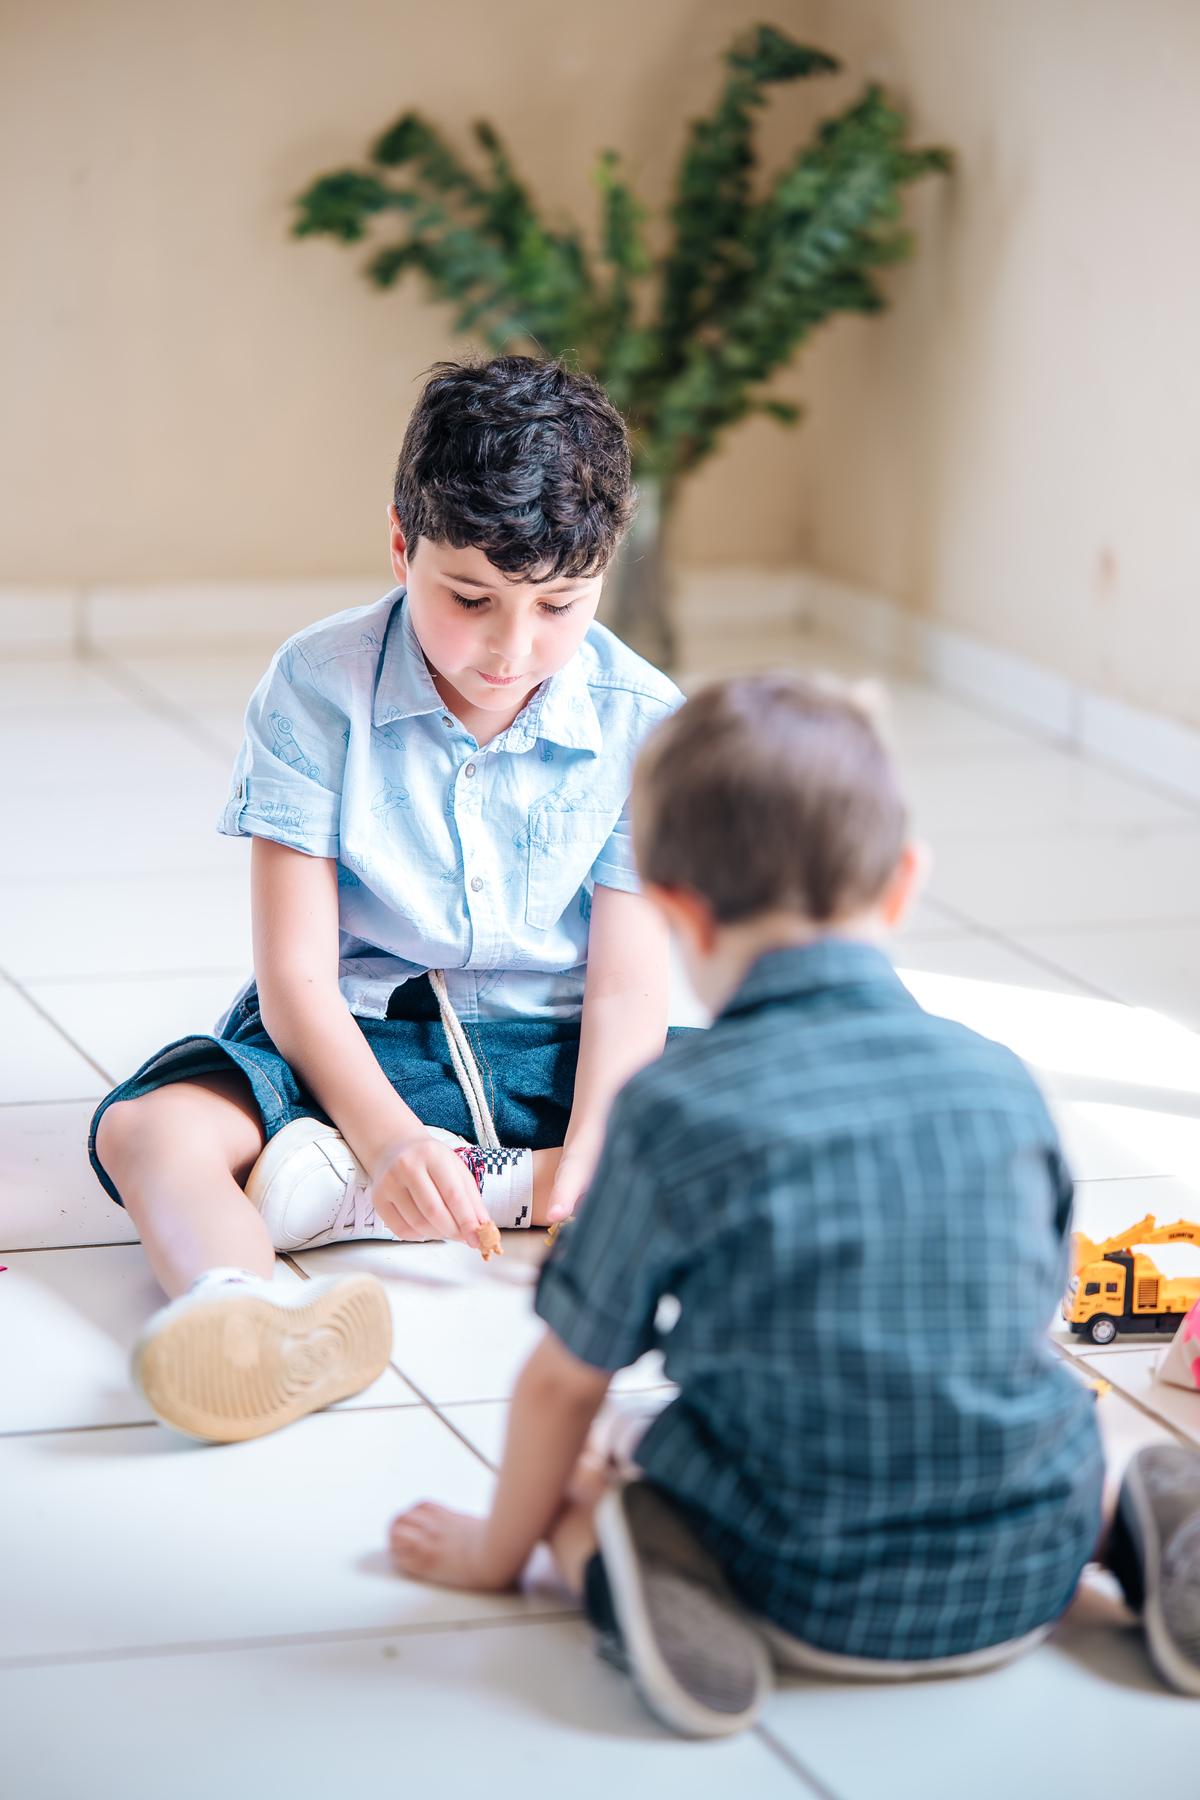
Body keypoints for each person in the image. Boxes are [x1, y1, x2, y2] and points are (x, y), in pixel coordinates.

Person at [389, 672, 1200, 1735]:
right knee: (1063, 1432)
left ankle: (641, 1577)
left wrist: (496, 1554)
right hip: (1033, 1574)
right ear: (903, 884)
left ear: (677, 911)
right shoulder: (1001, 1080)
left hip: (797, 1588)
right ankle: (1140, 1518)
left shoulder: (674, 1109)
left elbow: (561, 1383)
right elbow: (1029, 1318)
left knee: (591, 1483)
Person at [89, 355, 686, 1445]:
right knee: (150, 1130)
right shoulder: (316, 685)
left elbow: (627, 990)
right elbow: (296, 980)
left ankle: (410, 1187)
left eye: (560, 605)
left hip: (559, 1050)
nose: (513, 648)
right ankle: (241, 1315)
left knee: (788, 1105)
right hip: (362, 1039)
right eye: (471, 598)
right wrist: (393, 1134)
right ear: (403, 545)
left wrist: (603, 1149)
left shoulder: (644, 717)